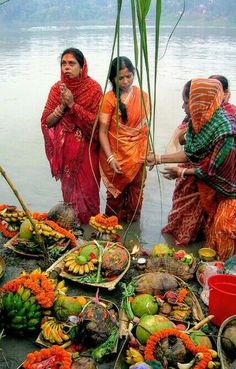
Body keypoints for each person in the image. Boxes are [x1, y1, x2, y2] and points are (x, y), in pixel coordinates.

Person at [148, 78, 236, 261]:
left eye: (186, 102)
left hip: (230, 193)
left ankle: (222, 278)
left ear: (198, 103)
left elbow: (209, 169)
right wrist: (158, 159)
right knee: (210, 235)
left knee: (222, 234)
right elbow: (190, 153)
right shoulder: (202, 123)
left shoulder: (225, 131)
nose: (182, 106)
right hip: (214, 190)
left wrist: (181, 172)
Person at [41, 48, 103, 224]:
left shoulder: (94, 89)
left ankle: (91, 228)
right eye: (63, 63)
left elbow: (97, 124)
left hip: (87, 151)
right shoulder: (57, 89)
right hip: (66, 151)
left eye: (72, 63)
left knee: (89, 190)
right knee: (69, 193)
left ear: (82, 66)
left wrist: (72, 105)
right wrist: (61, 107)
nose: (67, 67)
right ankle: (72, 227)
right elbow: (47, 121)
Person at [99, 56, 149, 222]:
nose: (126, 81)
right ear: (113, 79)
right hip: (116, 158)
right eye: (121, 78)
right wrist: (111, 157)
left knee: (136, 198)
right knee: (114, 199)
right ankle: (109, 233)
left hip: (138, 156)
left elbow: (144, 130)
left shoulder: (143, 97)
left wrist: (148, 153)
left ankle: (133, 235)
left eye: (129, 76)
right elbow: (103, 132)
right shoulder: (109, 99)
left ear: (134, 74)